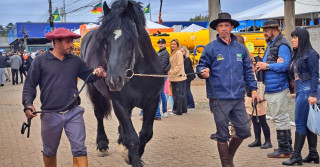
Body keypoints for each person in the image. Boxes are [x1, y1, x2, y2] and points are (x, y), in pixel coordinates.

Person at [22, 28, 106, 167]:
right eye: (68, 42)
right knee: (49, 151)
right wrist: (28, 104)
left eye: (72, 41)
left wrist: (98, 73)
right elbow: (29, 86)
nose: (72, 45)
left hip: (73, 113)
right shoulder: (40, 61)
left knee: (79, 149)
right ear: (56, 42)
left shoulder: (76, 61)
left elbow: (88, 75)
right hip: (50, 114)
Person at [196, 13, 259, 167]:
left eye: (226, 26)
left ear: (231, 27)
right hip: (219, 98)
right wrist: (203, 71)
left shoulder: (240, 48)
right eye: (220, 26)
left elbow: (248, 71)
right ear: (217, 28)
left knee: (244, 131)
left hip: (238, 97)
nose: (223, 29)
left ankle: (228, 157)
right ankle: (227, 164)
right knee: (222, 134)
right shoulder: (211, 48)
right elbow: (200, 66)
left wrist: (253, 90)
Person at [282, 28, 319, 165]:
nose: (292, 40)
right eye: (292, 37)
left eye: (295, 37)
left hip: (307, 90)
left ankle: (296, 155)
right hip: (300, 89)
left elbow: (315, 75)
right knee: (307, 123)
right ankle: (313, 153)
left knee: (299, 123)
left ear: (302, 38)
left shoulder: (311, 54)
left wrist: (313, 94)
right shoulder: (297, 53)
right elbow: (293, 73)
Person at [256, 20, 292, 158]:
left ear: (274, 30)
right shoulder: (272, 44)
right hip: (273, 86)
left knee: (280, 117)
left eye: (266, 30)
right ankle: (287, 148)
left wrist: (268, 66)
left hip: (278, 86)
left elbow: (286, 65)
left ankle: (284, 150)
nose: (264, 33)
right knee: (282, 117)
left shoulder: (281, 44)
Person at [168, 39, 187, 115]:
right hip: (176, 77)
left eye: (174, 44)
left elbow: (179, 65)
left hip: (177, 77)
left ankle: (177, 111)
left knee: (177, 95)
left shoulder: (178, 53)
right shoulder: (173, 53)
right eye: (171, 44)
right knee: (180, 94)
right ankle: (183, 109)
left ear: (177, 45)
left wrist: (171, 72)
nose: (172, 45)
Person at [155, 38, 171, 119]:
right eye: (159, 43)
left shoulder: (165, 53)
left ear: (165, 44)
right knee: (161, 93)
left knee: (158, 94)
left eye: (162, 43)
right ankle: (164, 111)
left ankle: (157, 114)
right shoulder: (159, 52)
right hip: (160, 75)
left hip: (160, 75)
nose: (160, 45)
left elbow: (162, 65)